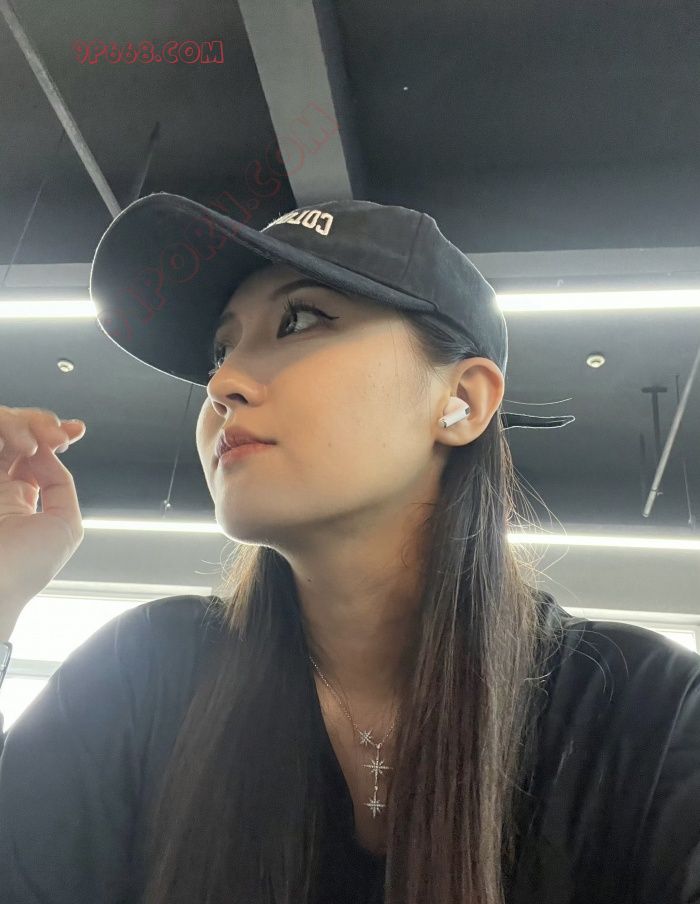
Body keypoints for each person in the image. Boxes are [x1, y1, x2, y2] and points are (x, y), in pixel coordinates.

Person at [0, 195, 698, 904]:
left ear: (461, 400)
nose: (221, 384)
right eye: (221, 349)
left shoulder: (648, 715)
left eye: (300, 320)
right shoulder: (138, 677)